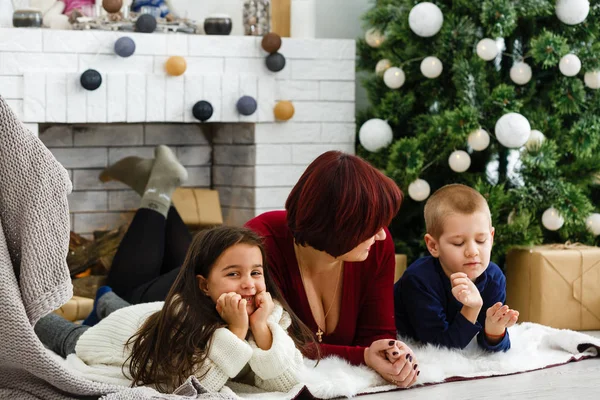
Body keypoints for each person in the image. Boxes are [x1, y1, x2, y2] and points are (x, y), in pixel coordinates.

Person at [101, 148, 419, 388]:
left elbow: (377, 337)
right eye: (370, 225)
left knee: (193, 256)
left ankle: (159, 188)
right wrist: (362, 356)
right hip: (196, 295)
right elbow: (274, 346)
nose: (381, 234)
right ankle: (157, 192)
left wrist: (389, 355)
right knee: (128, 289)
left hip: (212, 265)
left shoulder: (376, 246)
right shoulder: (261, 249)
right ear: (339, 226)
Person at [35, 226, 312, 393]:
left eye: (255, 272)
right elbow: (195, 385)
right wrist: (237, 332)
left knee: (128, 306)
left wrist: (262, 329)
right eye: (233, 274)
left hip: (150, 313)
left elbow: (286, 382)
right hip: (128, 329)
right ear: (204, 286)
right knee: (72, 338)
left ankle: (106, 297)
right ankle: (91, 305)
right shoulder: (184, 319)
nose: (249, 284)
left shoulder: (269, 315)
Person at [394, 184, 519, 352]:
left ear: (491, 238)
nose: (472, 252)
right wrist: (472, 308)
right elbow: (440, 349)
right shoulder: (419, 280)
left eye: (481, 240)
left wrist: (494, 330)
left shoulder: (494, 278)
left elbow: (494, 349)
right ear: (433, 245)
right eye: (458, 243)